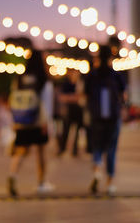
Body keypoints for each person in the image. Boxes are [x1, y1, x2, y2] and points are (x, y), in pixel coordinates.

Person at [7, 46, 53, 197]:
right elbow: (46, 103)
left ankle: (13, 174)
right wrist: (46, 122)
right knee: (41, 153)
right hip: (38, 121)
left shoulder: (20, 78)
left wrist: (15, 120)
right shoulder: (43, 79)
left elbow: (13, 99)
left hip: (22, 119)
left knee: (21, 150)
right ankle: (41, 182)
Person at [85, 45, 125, 195]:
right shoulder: (115, 75)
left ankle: (96, 172)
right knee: (111, 149)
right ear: (110, 57)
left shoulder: (92, 75)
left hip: (96, 116)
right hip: (113, 117)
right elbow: (123, 95)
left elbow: (86, 95)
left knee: (97, 147)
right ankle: (109, 183)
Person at [57, 69, 84, 157]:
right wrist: (73, 98)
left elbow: (81, 96)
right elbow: (62, 97)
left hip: (78, 110)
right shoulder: (66, 84)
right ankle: (62, 148)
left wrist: (71, 97)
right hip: (68, 110)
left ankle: (75, 149)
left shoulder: (79, 83)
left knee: (77, 131)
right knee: (66, 130)